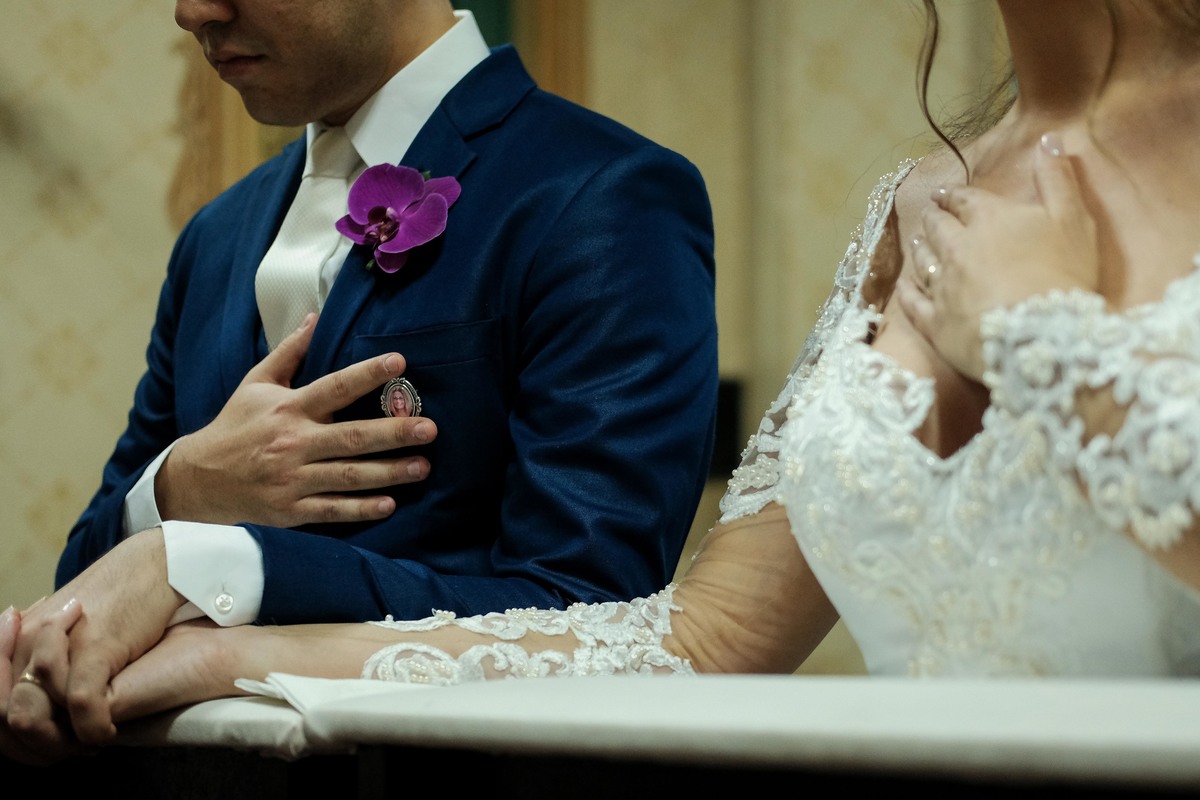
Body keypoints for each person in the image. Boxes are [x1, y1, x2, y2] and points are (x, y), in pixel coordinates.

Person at [10, 0, 1200, 762]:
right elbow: (698, 638)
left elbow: (582, 575)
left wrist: (1042, 340)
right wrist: (216, 640)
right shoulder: (923, 199)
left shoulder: (600, 192)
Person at [0, 0, 718, 764]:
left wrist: (218, 568)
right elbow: (84, 580)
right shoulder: (216, 233)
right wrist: (181, 490)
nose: (192, 11)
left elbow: (592, 616)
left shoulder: (605, 193)